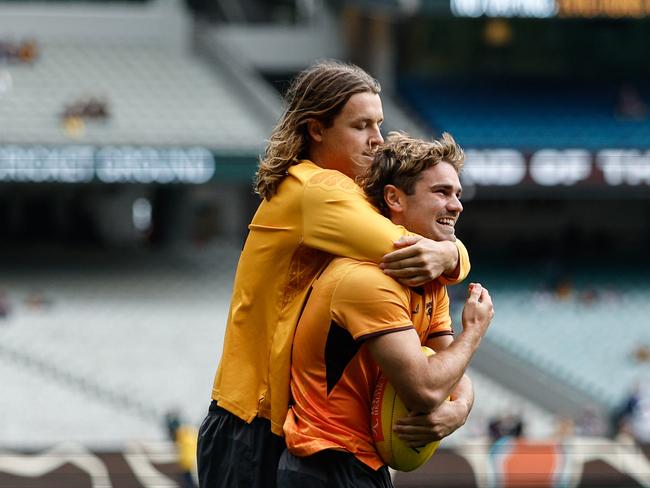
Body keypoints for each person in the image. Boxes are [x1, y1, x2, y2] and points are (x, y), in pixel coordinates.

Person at [197, 61, 472, 488]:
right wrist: (453, 253)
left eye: (379, 124)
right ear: (316, 129)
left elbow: (428, 252)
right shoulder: (320, 189)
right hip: (252, 423)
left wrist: (459, 405)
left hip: (273, 424)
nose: (377, 140)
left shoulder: (343, 195)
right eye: (361, 125)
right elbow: (412, 249)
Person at [278, 132, 494, 486]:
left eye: (457, 194)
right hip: (324, 463)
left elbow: (450, 371)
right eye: (441, 192)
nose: (456, 205)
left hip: (362, 464)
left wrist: (460, 408)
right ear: (394, 198)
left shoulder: (432, 282)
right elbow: (425, 389)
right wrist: (473, 332)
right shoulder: (368, 280)